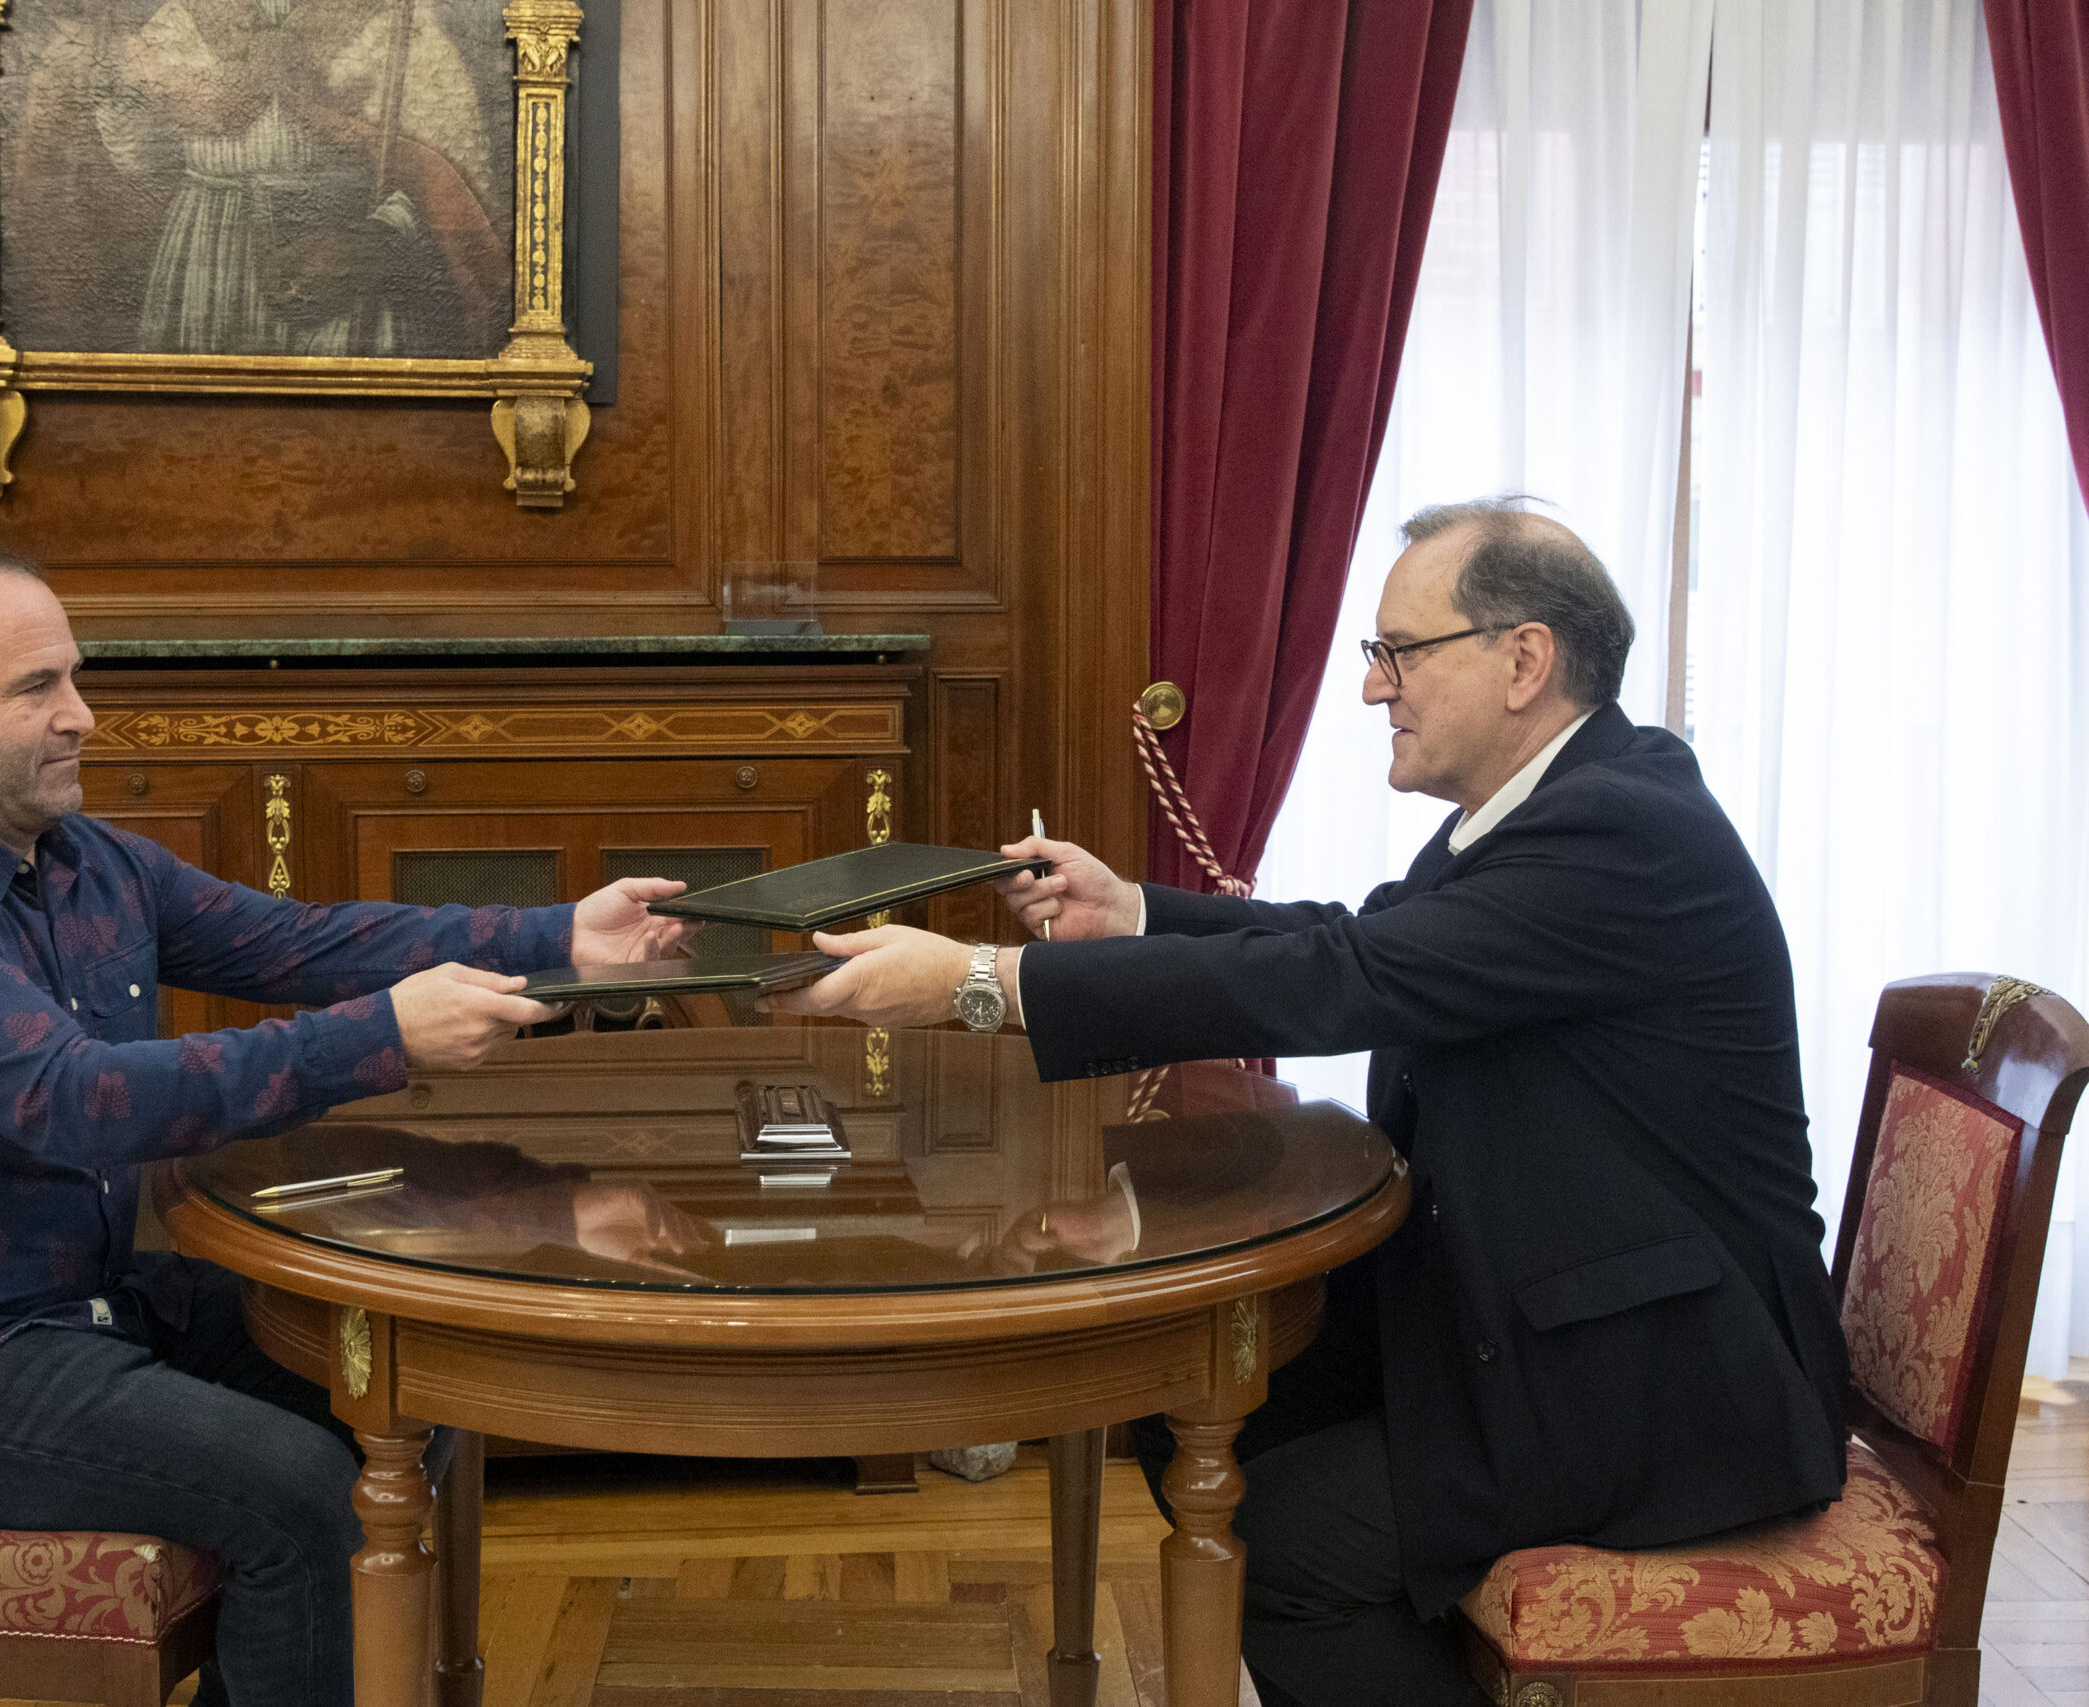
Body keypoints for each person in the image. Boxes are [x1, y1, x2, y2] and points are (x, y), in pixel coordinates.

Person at [770, 498, 1851, 1707]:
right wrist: (1130, 910)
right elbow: (1363, 939)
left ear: (1522, 660)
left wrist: (981, 982)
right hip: (1539, 1311)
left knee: (1282, 1547)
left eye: (1398, 653)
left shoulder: (1619, 831)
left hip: (1658, 1378)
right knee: (1187, 1412)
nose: (1371, 689)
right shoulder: (1555, 806)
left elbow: (1352, 979)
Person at [0, 540, 694, 1707]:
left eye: (74, 678)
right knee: (298, 1490)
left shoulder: (84, 861)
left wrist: (560, 939)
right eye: (36, 689)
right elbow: (85, 1102)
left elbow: (304, 944)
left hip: (80, 1312)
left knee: (415, 1378)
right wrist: (385, 1039)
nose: (82, 716)